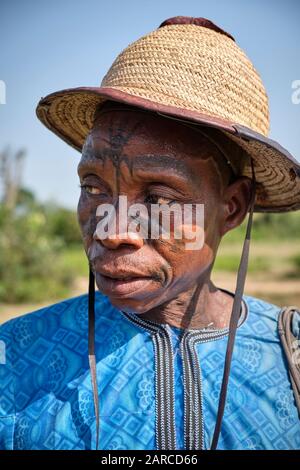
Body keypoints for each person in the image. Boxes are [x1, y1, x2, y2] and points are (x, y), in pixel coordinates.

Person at [0, 16, 299, 450]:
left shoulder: (288, 357)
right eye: (93, 188)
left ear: (232, 207)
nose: (113, 230)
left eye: (158, 199)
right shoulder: (16, 353)